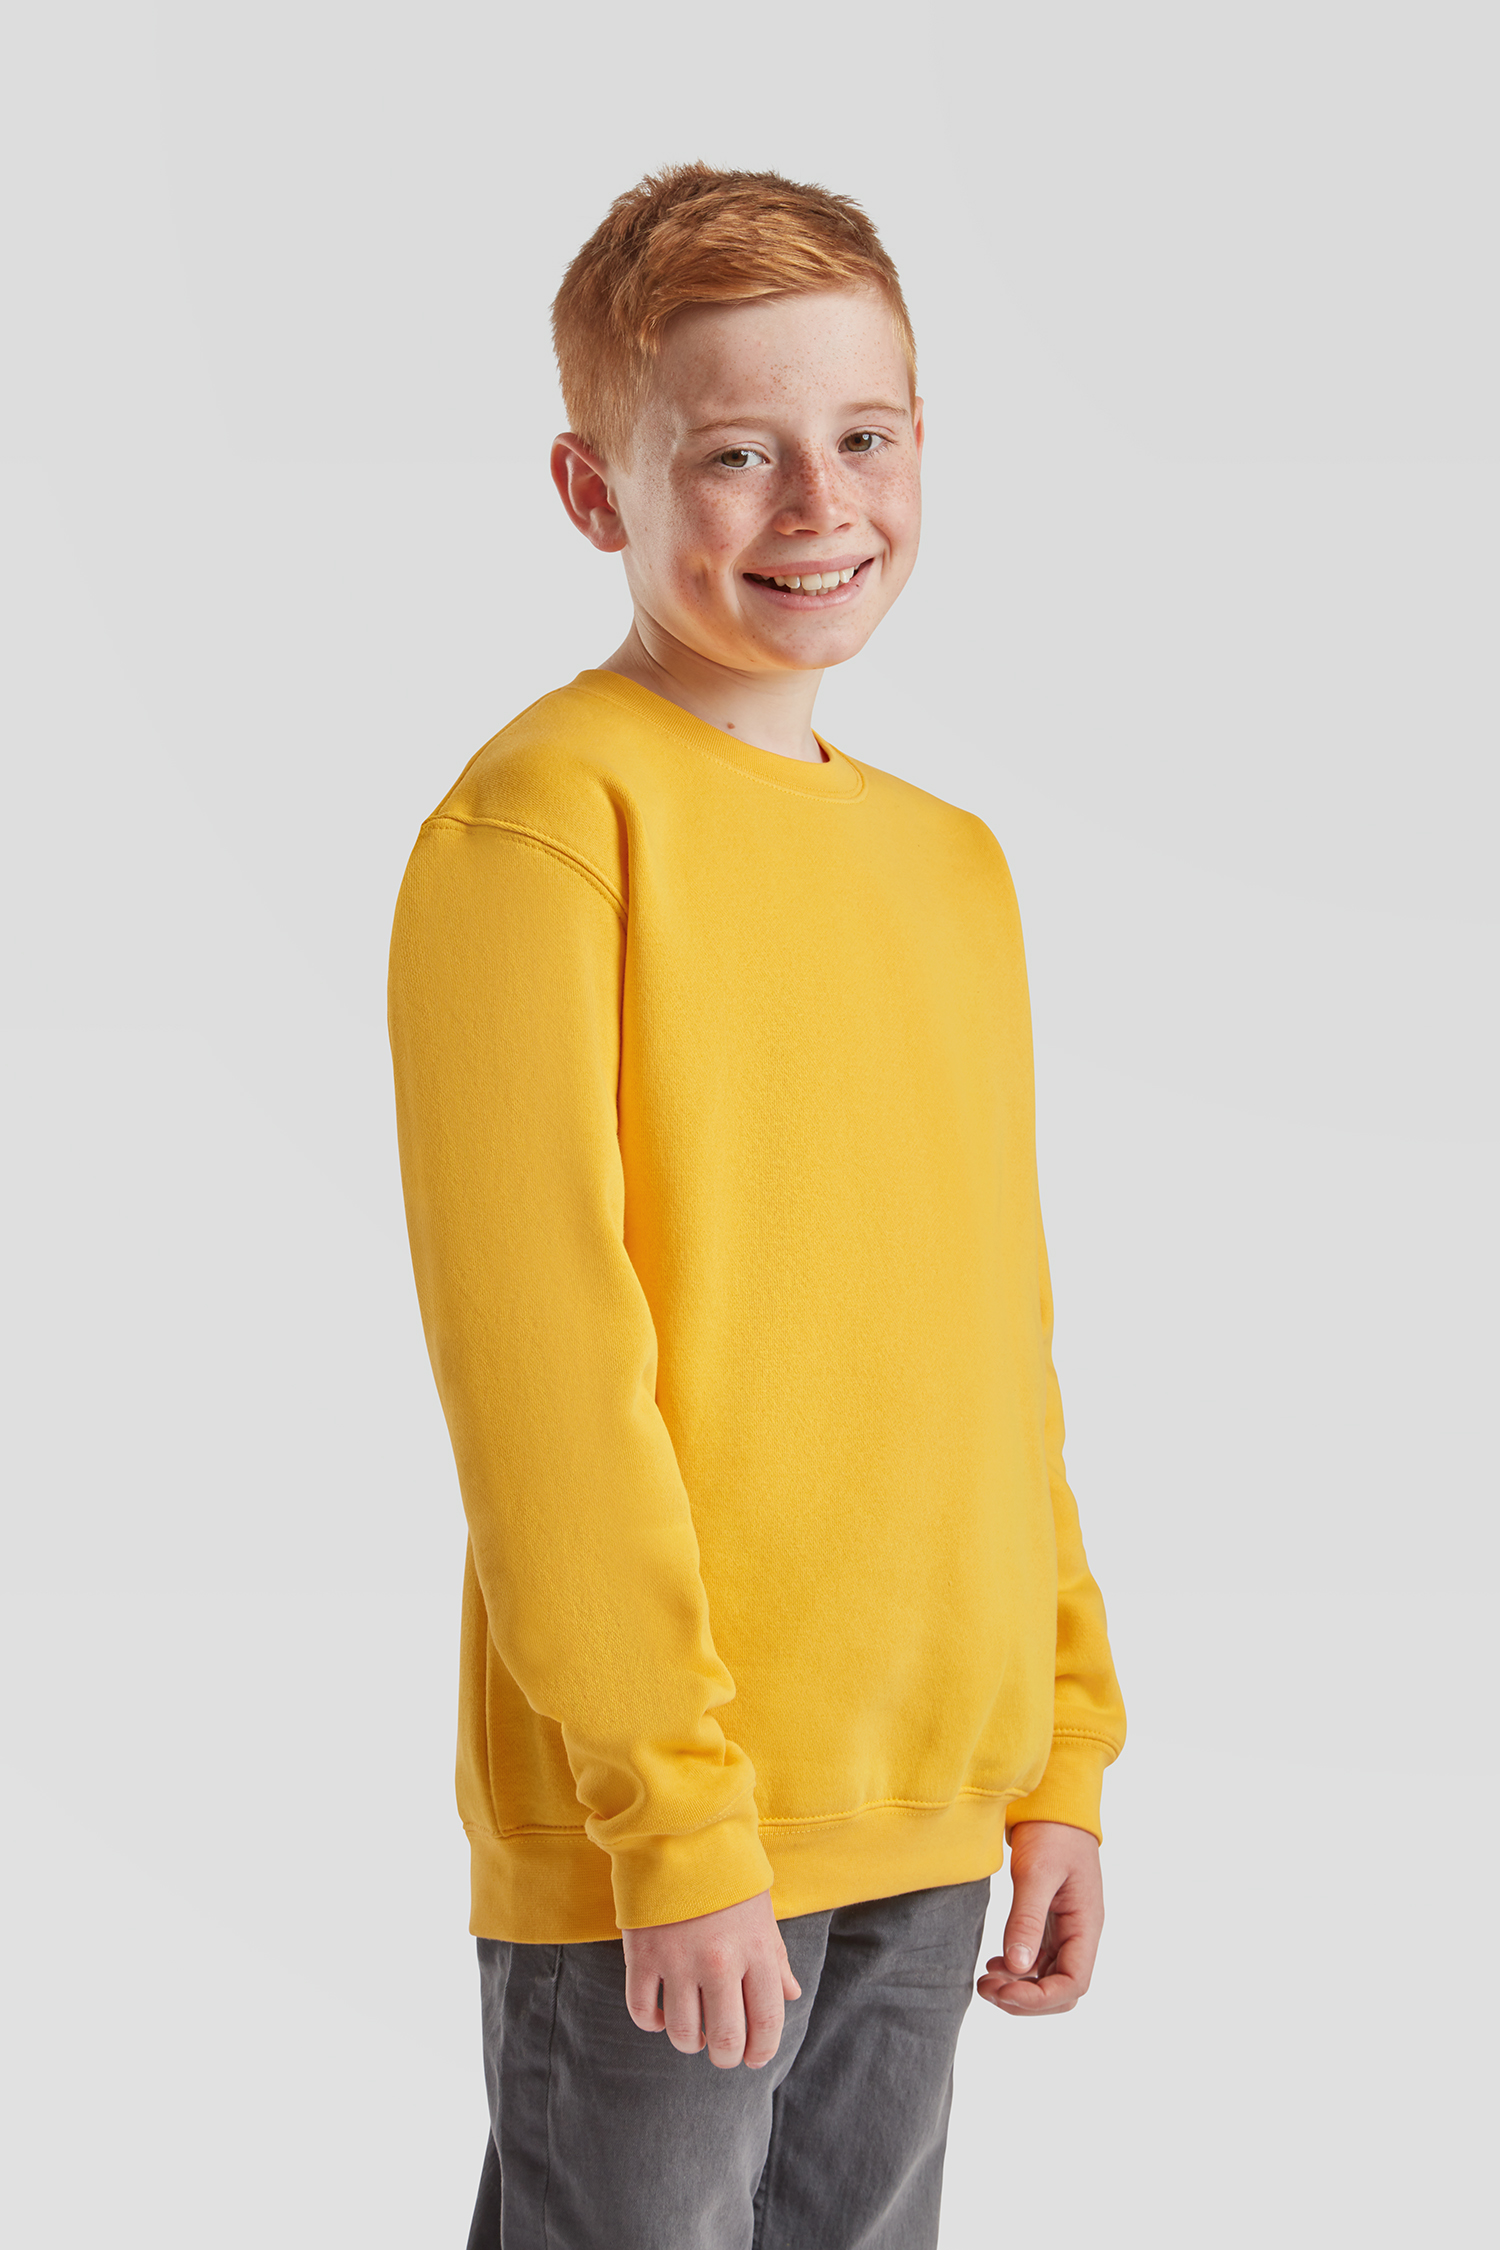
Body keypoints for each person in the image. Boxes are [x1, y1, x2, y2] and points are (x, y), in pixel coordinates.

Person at [387, 164, 1126, 2250]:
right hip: (678, 1832)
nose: (820, 504)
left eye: (866, 436)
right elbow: (543, 1375)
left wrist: (1059, 1749)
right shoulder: (548, 824)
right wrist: (676, 1814)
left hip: (933, 1801)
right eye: (736, 454)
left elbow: (995, 1349)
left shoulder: (954, 871)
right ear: (591, 487)